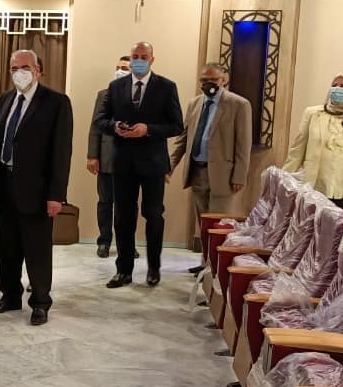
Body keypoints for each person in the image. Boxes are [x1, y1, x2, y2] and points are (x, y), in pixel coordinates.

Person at [0, 50, 73, 326]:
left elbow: (61, 152)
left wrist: (56, 195)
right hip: (5, 185)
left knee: (37, 249)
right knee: (7, 247)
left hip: (37, 190)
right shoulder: (6, 99)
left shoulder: (56, 102)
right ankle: (10, 296)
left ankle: (40, 302)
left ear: (38, 71)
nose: (19, 73)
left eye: (25, 67)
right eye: (14, 68)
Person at [93, 41, 184, 288]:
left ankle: (154, 268)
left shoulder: (166, 87)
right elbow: (100, 120)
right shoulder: (116, 86)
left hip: (153, 163)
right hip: (123, 162)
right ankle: (123, 270)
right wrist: (115, 127)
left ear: (152, 59)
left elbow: (177, 125)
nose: (139, 60)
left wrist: (149, 129)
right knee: (123, 217)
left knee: (153, 215)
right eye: (135, 56)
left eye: (144, 56)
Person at [168, 63, 252, 275]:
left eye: (213, 80)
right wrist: (169, 165)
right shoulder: (195, 103)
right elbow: (183, 139)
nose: (208, 84)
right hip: (197, 171)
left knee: (219, 224)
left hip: (223, 175)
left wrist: (240, 175)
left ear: (224, 80)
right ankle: (205, 262)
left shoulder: (239, 104)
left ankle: (216, 269)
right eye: (204, 80)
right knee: (203, 222)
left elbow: (243, 144)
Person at [282, 72, 343, 219]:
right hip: (315, 189)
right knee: (312, 229)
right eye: (334, 85)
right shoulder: (313, 114)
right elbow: (297, 150)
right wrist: (283, 179)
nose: (337, 89)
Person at [87, 56, 132, 258]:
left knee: (127, 205)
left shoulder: (140, 95)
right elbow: (96, 126)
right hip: (106, 157)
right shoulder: (104, 94)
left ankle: (127, 244)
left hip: (131, 160)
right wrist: (92, 155)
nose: (121, 70)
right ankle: (104, 241)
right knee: (105, 202)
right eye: (119, 67)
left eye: (125, 68)